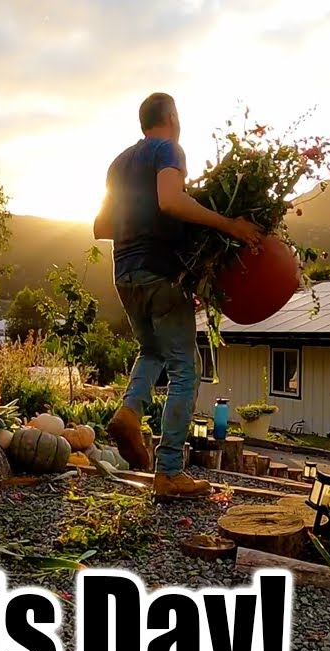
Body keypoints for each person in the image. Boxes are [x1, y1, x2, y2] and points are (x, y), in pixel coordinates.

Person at [93, 92, 266, 498]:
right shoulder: (167, 149)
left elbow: (101, 226)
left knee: (151, 351)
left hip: (125, 274)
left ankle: (129, 411)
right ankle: (169, 471)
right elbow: (170, 201)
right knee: (185, 369)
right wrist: (228, 225)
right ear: (171, 116)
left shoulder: (118, 163)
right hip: (160, 273)